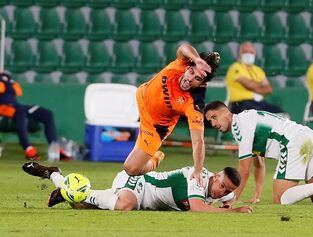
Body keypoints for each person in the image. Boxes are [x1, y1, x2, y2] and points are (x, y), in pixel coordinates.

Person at [123, 44, 220, 185]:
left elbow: (198, 141)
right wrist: (197, 59)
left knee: (130, 169)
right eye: (191, 72)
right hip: (142, 97)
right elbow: (184, 47)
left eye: (197, 79)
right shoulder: (181, 63)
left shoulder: (194, 104)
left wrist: (198, 170)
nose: (190, 79)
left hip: (154, 127)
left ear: (202, 84)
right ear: (188, 67)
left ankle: (155, 159)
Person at [22, 160, 253, 213]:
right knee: (125, 204)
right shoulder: (198, 176)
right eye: (221, 185)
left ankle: (54, 176)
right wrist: (234, 212)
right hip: (139, 181)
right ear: (215, 175)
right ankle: (65, 188)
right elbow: (198, 208)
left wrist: (228, 202)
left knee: (82, 205)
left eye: (226, 190)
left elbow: (226, 200)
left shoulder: (221, 189)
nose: (221, 192)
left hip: (145, 201)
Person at [0, 72, 59, 160]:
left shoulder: (9, 80)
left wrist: (6, 81)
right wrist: (5, 82)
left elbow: (18, 91)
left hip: (16, 106)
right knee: (20, 112)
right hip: (3, 108)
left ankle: (54, 148)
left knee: (47, 114)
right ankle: (28, 149)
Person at [225, 41, 284, 115]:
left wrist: (253, 86)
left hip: (259, 103)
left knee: (280, 113)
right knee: (255, 113)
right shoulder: (235, 67)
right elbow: (248, 85)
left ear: (255, 54)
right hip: (240, 103)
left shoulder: (258, 70)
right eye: (245, 52)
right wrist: (261, 85)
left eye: (251, 52)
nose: (248, 54)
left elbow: (268, 89)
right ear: (239, 54)